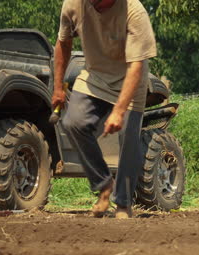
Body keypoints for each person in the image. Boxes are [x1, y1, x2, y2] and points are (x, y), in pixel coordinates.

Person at [51, 0, 157, 218]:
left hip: (130, 79)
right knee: (73, 122)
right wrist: (58, 87)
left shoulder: (134, 12)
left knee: (128, 137)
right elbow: (63, 44)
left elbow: (136, 66)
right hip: (95, 76)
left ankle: (123, 204)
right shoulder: (73, 5)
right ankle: (104, 183)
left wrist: (119, 111)